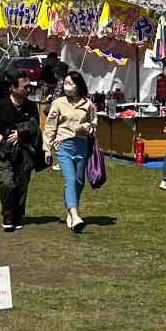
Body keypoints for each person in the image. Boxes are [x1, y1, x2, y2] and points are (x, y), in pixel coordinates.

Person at [0, 69, 40, 232]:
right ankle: (7, 213)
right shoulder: (0, 105)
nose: (28, 90)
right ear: (13, 88)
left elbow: (35, 127)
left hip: (24, 152)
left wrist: (21, 133)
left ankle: (18, 214)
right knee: (8, 183)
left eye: (29, 86)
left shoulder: (31, 106)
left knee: (22, 184)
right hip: (3, 152)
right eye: (25, 87)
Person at [44, 70, 98, 234]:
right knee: (70, 179)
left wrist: (88, 127)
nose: (67, 86)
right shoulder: (58, 103)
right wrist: (47, 149)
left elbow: (94, 123)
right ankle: (75, 216)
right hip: (63, 145)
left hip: (81, 146)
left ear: (78, 85)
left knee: (79, 182)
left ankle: (70, 208)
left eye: (71, 83)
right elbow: (50, 127)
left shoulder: (88, 104)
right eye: (65, 83)